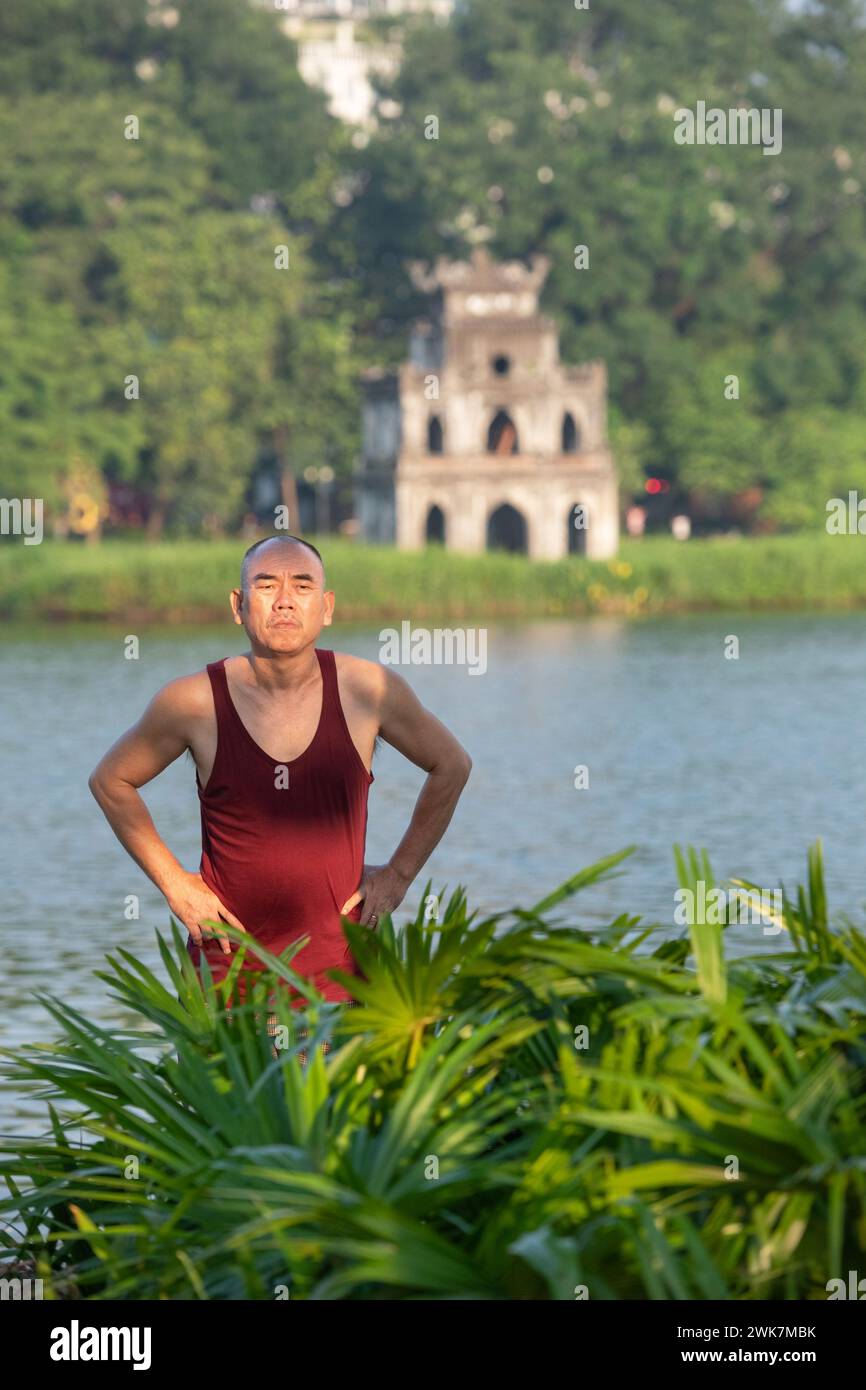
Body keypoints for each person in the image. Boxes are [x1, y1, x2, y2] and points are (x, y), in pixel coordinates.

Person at [88, 534, 472, 1054]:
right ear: (238, 605)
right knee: (223, 1135)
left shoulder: (369, 690)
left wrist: (399, 874)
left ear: (327, 606)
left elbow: (450, 765)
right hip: (226, 986)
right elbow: (111, 780)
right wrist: (175, 885)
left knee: (339, 1135)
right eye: (266, 585)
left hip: (343, 985)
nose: (285, 599)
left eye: (303, 585)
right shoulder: (193, 701)